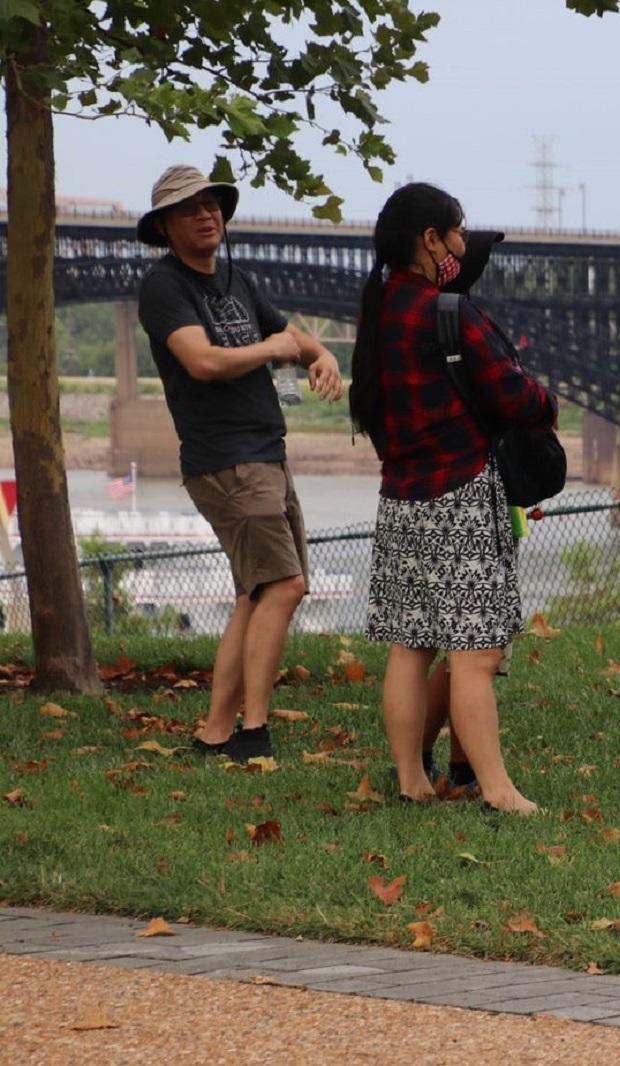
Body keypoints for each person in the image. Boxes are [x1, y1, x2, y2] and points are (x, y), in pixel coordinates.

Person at [349, 183, 556, 815]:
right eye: (456, 233)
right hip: (460, 493)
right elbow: (514, 397)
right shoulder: (449, 313)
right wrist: (548, 401)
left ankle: (411, 779)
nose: (463, 245)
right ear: (431, 240)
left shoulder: (378, 310)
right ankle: (496, 790)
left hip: (401, 497)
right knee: (476, 654)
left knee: (411, 646)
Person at [135, 164, 344, 764]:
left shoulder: (237, 280)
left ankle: (216, 734)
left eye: (211, 204)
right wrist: (275, 349)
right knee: (285, 585)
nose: (205, 215)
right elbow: (200, 361)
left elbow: (291, 338)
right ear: (166, 227)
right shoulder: (165, 287)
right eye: (188, 209)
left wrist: (320, 352)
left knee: (256, 594)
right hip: (226, 459)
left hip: (266, 453)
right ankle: (254, 732)